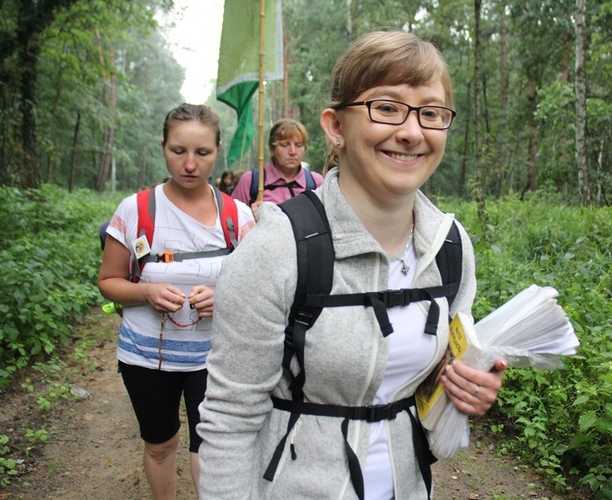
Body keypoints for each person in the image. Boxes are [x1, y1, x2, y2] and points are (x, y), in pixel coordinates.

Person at [198, 31, 506, 499]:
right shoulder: (279, 248)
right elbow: (229, 422)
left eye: (431, 112)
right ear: (335, 127)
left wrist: (466, 389)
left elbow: (434, 378)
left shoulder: (449, 246)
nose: (411, 131)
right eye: (386, 107)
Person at [97, 103, 255, 498]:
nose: (189, 164)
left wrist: (225, 297)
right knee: (160, 443)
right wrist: (145, 292)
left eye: (202, 153)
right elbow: (109, 281)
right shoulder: (135, 210)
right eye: (178, 151)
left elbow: (259, 288)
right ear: (163, 147)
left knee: (211, 446)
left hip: (218, 357)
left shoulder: (237, 215)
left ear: (218, 150)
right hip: (146, 357)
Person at [230, 118, 324, 218]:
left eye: (298, 145)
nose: (292, 151)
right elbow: (231, 222)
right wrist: (249, 218)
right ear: (272, 149)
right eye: (285, 145)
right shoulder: (251, 182)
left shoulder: (316, 183)